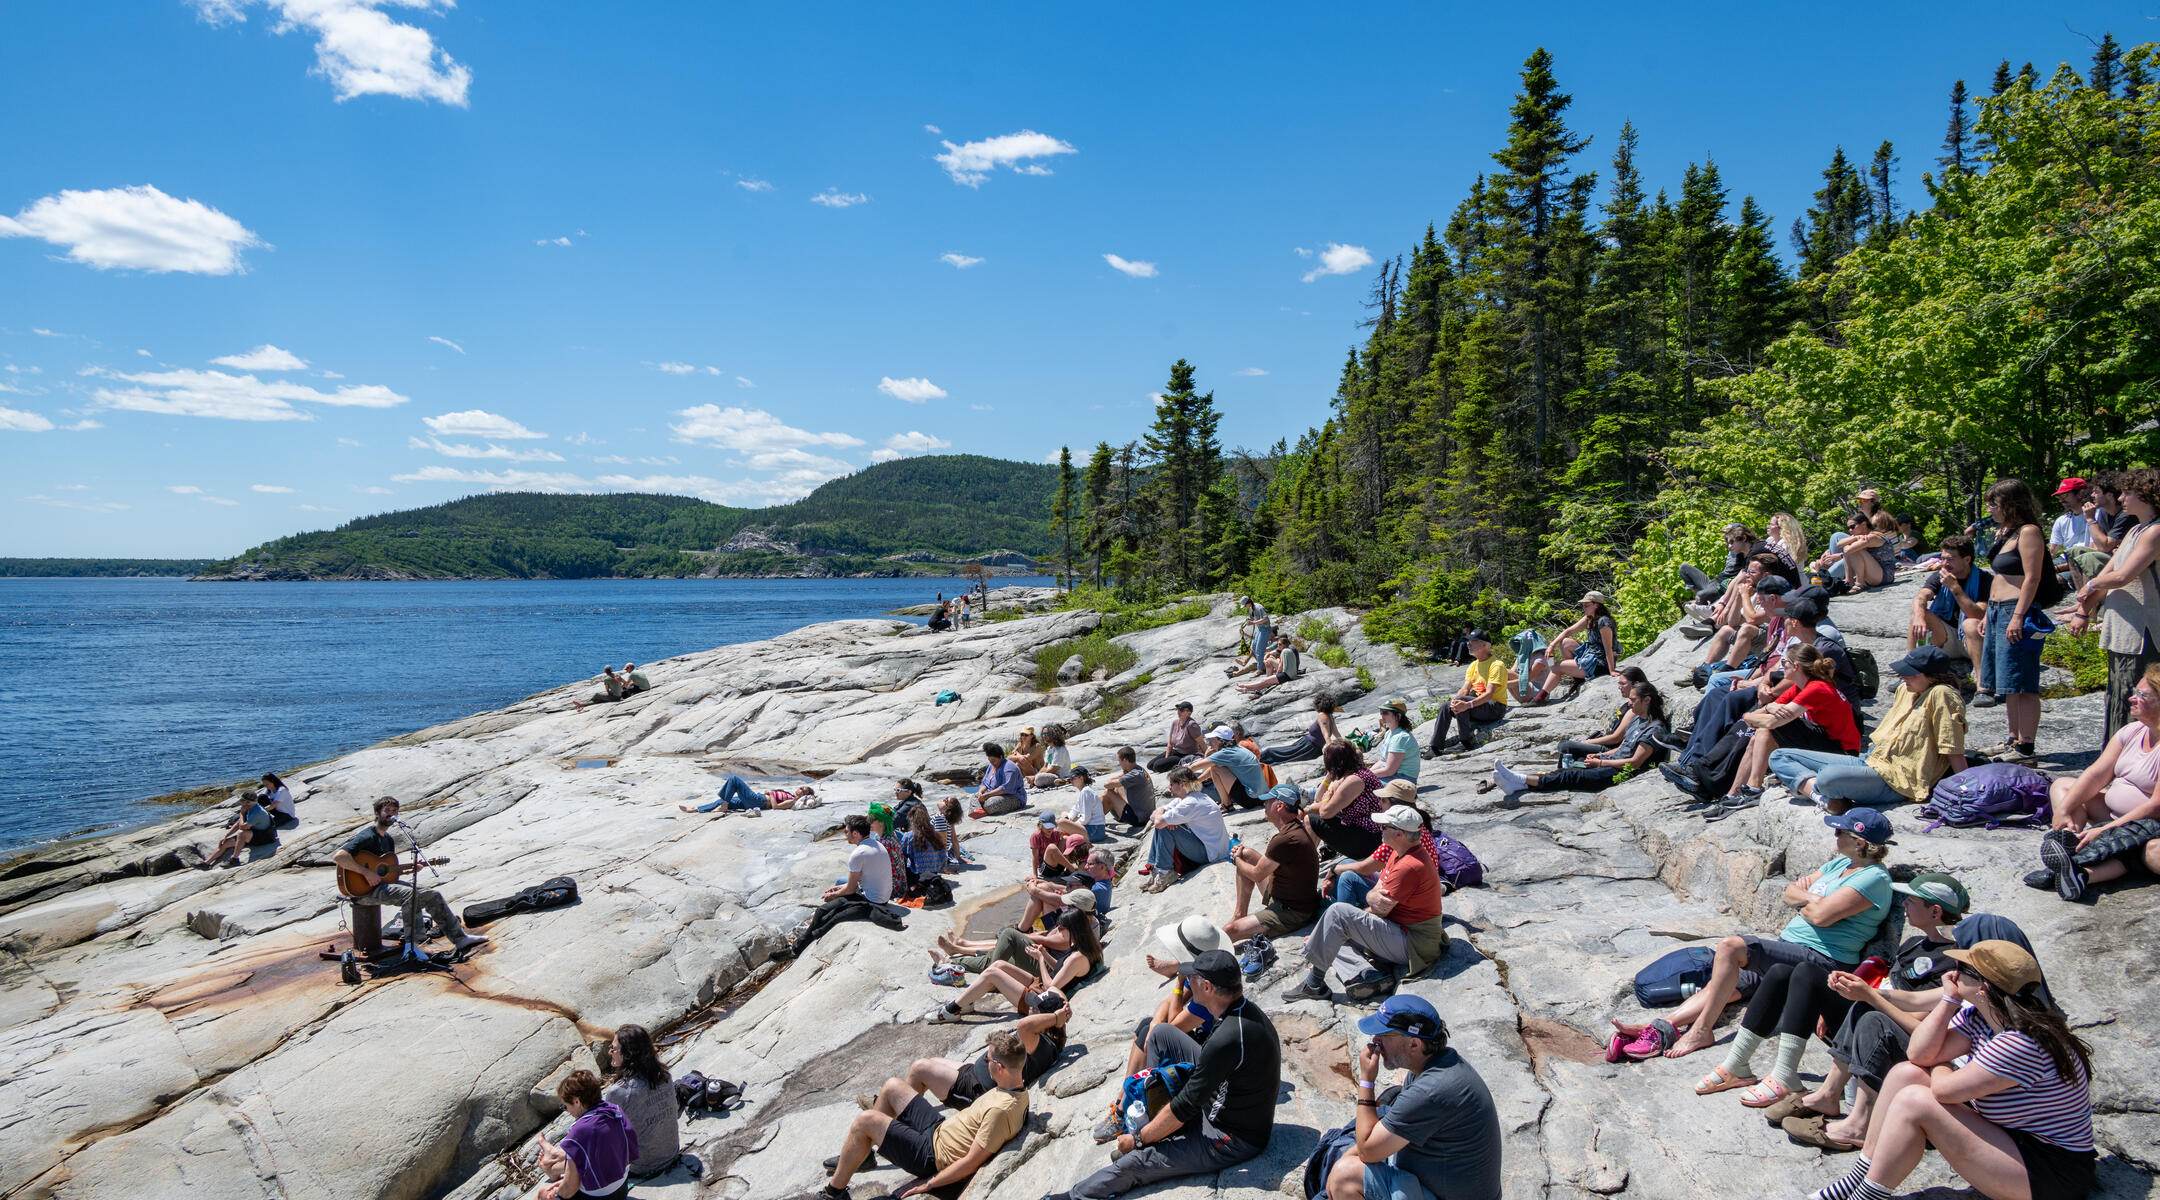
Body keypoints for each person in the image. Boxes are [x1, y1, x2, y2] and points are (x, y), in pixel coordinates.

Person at [1804, 941, 2094, 1200]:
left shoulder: (2021, 1042)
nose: (1952, 973)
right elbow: (1919, 1054)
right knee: (1907, 1073)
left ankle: (1868, 1196)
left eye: (1962, 969)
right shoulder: (1981, 1015)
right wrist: (1948, 1001)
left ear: (1984, 988)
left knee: (1916, 1101)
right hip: (2011, 1140)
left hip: (2049, 1172)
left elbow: (1943, 1089)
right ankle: (1858, 1178)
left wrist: (1941, 1062)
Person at [1616, 810, 1893, 1063]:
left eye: (1839, 832)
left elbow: (1820, 917)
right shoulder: (1839, 866)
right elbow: (1790, 893)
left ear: (1859, 842)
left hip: (1820, 961)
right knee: (1725, 983)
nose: (1834, 836)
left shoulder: (1873, 878)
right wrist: (1815, 899)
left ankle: (1701, 1031)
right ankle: (1662, 1026)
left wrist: (1810, 903)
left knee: (1732, 946)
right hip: (1789, 950)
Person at [1704, 872, 1971, 1113]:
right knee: (1782, 972)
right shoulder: (1913, 943)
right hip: (1865, 1015)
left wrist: (1866, 998)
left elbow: (1919, 1025)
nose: (1903, 905)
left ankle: (1786, 1076)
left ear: (1935, 912)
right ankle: (1737, 1064)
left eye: (1911, 901)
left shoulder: (1951, 963)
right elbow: (1887, 987)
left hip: (1886, 1037)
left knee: (1809, 973)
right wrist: (1837, 997)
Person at [1042, 950, 1279, 1200]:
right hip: (1226, 1093)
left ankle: (1074, 1196)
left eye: (1192, 978)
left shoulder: (1226, 1039)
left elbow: (1185, 1106)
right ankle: (1153, 1108)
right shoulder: (1243, 1011)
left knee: (1135, 1163)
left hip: (1231, 1136)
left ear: (1207, 987)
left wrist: (1138, 1140)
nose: (1188, 981)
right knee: (1161, 1033)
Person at [1325, 995, 1502, 1200]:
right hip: (1432, 1184)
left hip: (1440, 1194)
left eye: (1383, 1035)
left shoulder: (1432, 1089)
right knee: (1345, 1154)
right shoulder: (1434, 1065)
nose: (1375, 1042)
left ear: (1415, 1045)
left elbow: (1368, 1152)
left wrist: (1367, 1081)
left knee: (1345, 1177)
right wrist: (1352, 1153)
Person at [818, 1031, 1031, 1200]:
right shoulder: (1014, 1089)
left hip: (931, 1156)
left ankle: (834, 1193)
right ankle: (864, 1156)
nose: (985, 1062)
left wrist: (927, 1184)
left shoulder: (1000, 1111)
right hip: (939, 1130)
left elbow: (970, 1163)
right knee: (893, 1086)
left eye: (988, 1059)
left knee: (865, 1122)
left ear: (1000, 1067)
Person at [1768, 645, 1970, 813]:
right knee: (1779, 756)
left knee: (1828, 776)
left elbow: (1951, 747)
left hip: (1898, 780)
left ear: (1932, 676)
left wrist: (1964, 791)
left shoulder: (1942, 694)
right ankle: (1823, 798)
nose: (1902, 676)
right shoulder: (1906, 690)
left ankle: (1817, 788)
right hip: (1871, 761)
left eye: (1910, 673)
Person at [1284, 805, 1447, 1003]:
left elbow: (1381, 909)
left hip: (1413, 944)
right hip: (1400, 931)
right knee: (1331, 936)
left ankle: (1314, 984)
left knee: (1337, 917)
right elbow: (1377, 891)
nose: (1380, 829)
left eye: (1384, 826)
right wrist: (1368, 903)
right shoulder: (1399, 852)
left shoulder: (1410, 865)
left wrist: (1358, 913)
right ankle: (1368, 976)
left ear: (1399, 833)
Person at [2030, 667, 2160, 901]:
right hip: (2113, 815)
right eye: (2134, 692)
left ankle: (2076, 869)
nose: (2132, 698)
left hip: (2149, 828)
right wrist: (2063, 810)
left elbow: (2155, 807)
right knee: (2064, 786)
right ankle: (2070, 842)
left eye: (2142, 695)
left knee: (2149, 852)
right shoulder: (2132, 731)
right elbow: (2096, 775)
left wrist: (2103, 830)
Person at [2065, 467, 2160, 740]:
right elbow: (2107, 574)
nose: (2120, 499)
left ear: (2147, 495)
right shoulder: (2134, 532)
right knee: (2118, 697)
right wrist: (2083, 610)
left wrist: (2091, 585)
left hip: (2145, 633)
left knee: (2140, 701)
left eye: (2127, 492)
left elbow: (2122, 576)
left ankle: (2135, 768)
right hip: (2122, 632)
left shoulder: (2155, 532)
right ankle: (2113, 765)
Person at [1712, 646, 1862, 816]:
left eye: (1784, 663)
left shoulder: (1817, 688)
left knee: (1768, 730)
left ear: (1796, 666)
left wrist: (1754, 716)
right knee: (1757, 738)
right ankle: (1733, 794)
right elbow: (1756, 715)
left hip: (1842, 753)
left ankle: (1753, 789)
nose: (1781, 667)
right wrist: (1768, 707)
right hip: (1827, 743)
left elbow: (1768, 721)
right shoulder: (1800, 687)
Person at [1973, 478, 2060, 761]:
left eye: (1994, 503)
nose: (1990, 509)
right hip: (1997, 609)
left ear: (2011, 504)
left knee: (2023, 680)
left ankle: (2026, 746)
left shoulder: (2029, 532)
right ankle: (2013, 739)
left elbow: (2032, 577)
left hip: (2015, 609)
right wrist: (1987, 613)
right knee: (2008, 681)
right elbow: (1997, 576)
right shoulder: (2005, 533)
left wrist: (2019, 617)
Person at [333, 797, 488, 953]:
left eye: (394, 811)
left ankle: (460, 938)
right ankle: (412, 946)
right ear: (377, 813)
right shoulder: (367, 836)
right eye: (387, 810)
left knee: (432, 894)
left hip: (380, 886)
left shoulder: (388, 839)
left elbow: (386, 872)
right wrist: (365, 872)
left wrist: (405, 870)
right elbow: (339, 856)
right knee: (411, 894)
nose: (391, 814)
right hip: (363, 892)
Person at [1490, 683, 1670, 798]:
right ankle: (1519, 784)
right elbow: (1622, 746)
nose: (1629, 703)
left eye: (1633, 700)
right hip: (1610, 763)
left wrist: (1600, 763)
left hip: (1619, 772)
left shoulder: (1655, 729)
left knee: (1571, 775)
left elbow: (1635, 762)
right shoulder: (1638, 720)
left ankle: (1519, 780)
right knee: (1570, 768)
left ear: (1646, 700)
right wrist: (1600, 755)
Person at [932, 906, 1101, 1020]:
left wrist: (1041, 960)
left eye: (1061, 928)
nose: (1058, 930)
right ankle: (966, 1002)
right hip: (1041, 987)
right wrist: (1043, 954)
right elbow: (1061, 969)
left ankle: (950, 1011)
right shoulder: (1084, 949)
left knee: (992, 973)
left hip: (1040, 1003)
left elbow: (1052, 989)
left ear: (1073, 930)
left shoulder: (1077, 958)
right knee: (997, 965)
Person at [908, 992, 1071, 1108]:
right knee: (932, 1062)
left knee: (919, 1069)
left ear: (1045, 1019)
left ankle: (901, 1122)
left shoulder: (1040, 1044)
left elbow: (1023, 1025)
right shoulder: (1045, 1040)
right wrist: (1063, 1010)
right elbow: (1055, 988)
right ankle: (908, 1108)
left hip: (975, 1090)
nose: (1030, 1008)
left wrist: (1057, 1018)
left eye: (1036, 1008)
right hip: (974, 1073)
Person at [1222, 795, 1321, 944]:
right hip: (1284, 897)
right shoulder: (1293, 828)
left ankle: (1198, 955)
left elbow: (1256, 875)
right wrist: (1242, 856)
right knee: (1247, 854)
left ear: (1280, 806)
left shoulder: (1285, 839)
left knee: (1230, 930)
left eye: (1268, 801)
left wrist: (1236, 859)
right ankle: (1239, 914)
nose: (1264, 804)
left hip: (1292, 912)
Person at [537, 1070, 636, 1200]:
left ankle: (554, 1158)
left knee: (542, 1194)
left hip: (601, 1196)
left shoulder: (579, 1132)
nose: (567, 1111)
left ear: (577, 1101)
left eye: (565, 1107)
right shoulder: (614, 1111)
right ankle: (556, 1155)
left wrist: (555, 1193)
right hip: (621, 1189)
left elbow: (569, 1190)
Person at [601, 1024, 679, 1178]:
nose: (610, 1052)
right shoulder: (664, 1076)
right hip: (671, 1153)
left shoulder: (618, 1092)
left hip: (642, 1165)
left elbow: (609, 1136)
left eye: (614, 1049)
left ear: (629, 1053)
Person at [1907, 533, 1991, 677]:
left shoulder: (1985, 579)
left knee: (1971, 624)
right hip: (1946, 638)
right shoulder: (1940, 576)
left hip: (1973, 639)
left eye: (1950, 559)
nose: (1945, 563)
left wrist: (1955, 589)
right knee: (1920, 614)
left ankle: (1982, 684)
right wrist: (1919, 616)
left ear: (1967, 559)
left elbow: (1978, 614)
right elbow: (1921, 597)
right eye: (1943, 558)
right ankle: (1910, 670)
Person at [1139, 766, 1232, 893]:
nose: (1169, 787)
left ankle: (1165, 872)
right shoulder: (1191, 798)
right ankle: (1156, 871)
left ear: (1182, 785)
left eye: (1172, 784)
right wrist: (1162, 813)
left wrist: (1164, 819)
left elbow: (1159, 822)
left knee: (1164, 827)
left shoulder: (1190, 803)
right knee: (1164, 824)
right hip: (1210, 847)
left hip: (1210, 853)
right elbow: (1153, 816)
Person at [1429, 631, 1512, 755]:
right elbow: (1465, 689)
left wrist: (1467, 705)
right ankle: (1435, 747)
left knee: (1463, 701)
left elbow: (1489, 694)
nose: (1468, 644)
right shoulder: (1474, 665)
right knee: (1446, 706)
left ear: (1484, 645)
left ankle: (1466, 742)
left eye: (1472, 641)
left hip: (1495, 708)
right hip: (1478, 706)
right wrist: (1454, 702)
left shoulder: (1496, 665)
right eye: (1468, 641)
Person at [1304, 741, 1388, 861]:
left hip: (1366, 841)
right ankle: (1308, 860)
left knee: (1310, 820)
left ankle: (1305, 864)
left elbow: (1325, 812)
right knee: (1316, 816)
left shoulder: (1353, 781)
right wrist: (1328, 778)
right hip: (1368, 835)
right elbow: (1318, 799)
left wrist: (1327, 797)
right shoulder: (1360, 773)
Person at [1539, 592, 1622, 700]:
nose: (1584, 607)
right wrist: (1551, 645)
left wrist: (1611, 670)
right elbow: (1568, 631)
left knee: (1558, 666)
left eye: (1586, 605)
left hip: (1600, 663)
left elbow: (1608, 648)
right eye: (1583, 605)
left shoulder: (1604, 622)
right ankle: (1577, 678)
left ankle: (1540, 698)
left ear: (1596, 605)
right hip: (1592, 653)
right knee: (1565, 642)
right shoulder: (1590, 618)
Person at [1016, 848, 1115, 932]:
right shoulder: (1101, 883)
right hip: (1078, 920)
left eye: (1089, 864)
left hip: (1076, 928)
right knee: (1044, 888)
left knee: (1044, 895)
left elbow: (1062, 900)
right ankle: (1024, 928)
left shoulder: (1098, 889)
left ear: (1102, 867)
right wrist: (1049, 884)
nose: (1085, 866)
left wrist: (1035, 891)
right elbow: (1072, 890)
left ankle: (1024, 929)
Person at [1682, 522, 1766, 608]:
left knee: (1702, 595)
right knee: (1684, 568)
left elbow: (1741, 577)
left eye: (1732, 541)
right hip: (1717, 580)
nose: (1729, 545)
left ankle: (1702, 599)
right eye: (1728, 541)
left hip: (1725, 583)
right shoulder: (1738, 550)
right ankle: (1701, 598)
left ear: (1742, 536)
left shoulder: (1749, 550)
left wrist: (1723, 603)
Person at [1199, 724, 1269, 812]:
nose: (1209, 742)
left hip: (1250, 799)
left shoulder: (1227, 752)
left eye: (1212, 740)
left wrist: (1191, 781)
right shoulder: (1238, 748)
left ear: (1220, 740)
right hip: (1261, 797)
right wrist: (1197, 781)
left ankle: (1226, 805)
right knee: (1216, 768)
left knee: (1216, 769)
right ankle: (1226, 804)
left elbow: (1198, 766)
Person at [826, 813, 894, 904]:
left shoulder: (859, 853)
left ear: (855, 833)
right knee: (841, 882)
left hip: (872, 900)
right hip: (884, 897)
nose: (845, 834)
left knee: (837, 889)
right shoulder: (877, 843)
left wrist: (833, 895)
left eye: (846, 832)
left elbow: (850, 889)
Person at [678, 774, 817, 814]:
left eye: (803, 790)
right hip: (754, 800)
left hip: (758, 801)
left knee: (734, 779)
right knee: (728, 798)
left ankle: (723, 806)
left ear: (804, 794)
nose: (799, 790)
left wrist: (772, 794)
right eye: (801, 787)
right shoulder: (789, 794)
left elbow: (775, 807)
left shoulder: (792, 800)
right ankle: (696, 809)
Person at [1261, 697, 1343, 765]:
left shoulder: (1322, 715)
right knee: (1284, 755)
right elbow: (1336, 733)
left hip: (1307, 745)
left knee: (1272, 752)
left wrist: (1334, 750)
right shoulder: (1330, 716)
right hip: (1312, 748)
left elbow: (1326, 735)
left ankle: (1258, 759)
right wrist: (1344, 746)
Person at [205, 790, 277, 867]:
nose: (240, 802)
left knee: (241, 833)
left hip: (265, 837)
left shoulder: (258, 812)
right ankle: (206, 863)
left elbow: (242, 827)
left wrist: (242, 814)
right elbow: (238, 823)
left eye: (242, 800)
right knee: (225, 842)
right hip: (253, 835)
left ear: (247, 802)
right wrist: (225, 836)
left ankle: (234, 859)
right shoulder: (250, 808)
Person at [1101, 746, 1157, 833]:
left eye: (1119, 760)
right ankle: (1097, 816)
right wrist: (1122, 775)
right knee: (1118, 787)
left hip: (1138, 819)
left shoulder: (1134, 775)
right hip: (1146, 814)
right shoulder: (1139, 769)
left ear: (1125, 760)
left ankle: (1095, 821)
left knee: (1108, 793)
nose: (1118, 763)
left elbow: (1107, 785)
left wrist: (1120, 775)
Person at [971, 742, 1028, 818]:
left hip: (1014, 797)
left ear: (1001, 757)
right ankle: (980, 811)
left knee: (990, 804)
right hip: (993, 794)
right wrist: (980, 792)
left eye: (994, 760)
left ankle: (981, 809)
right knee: (974, 796)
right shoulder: (992, 765)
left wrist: (987, 795)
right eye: (990, 761)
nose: (992, 763)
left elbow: (1005, 788)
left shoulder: (1010, 768)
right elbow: (985, 783)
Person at [1371, 699, 1420, 784]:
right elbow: (1382, 761)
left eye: (1385, 712)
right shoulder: (1389, 733)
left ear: (1398, 716)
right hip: (1392, 776)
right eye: (1381, 712)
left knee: (1359, 788)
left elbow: (1389, 771)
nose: (1382, 715)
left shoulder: (1400, 737)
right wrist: (1366, 773)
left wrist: (1365, 776)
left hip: (1403, 779)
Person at [1053, 766, 1107, 842]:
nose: (1071, 781)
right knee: (1064, 814)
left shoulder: (1086, 792)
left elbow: (1086, 818)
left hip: (1095, 831)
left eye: (1073, 778)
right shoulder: (1084, 791)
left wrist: (1071, 824)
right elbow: (1075, 809)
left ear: (1081, 778)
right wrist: (1068, 819)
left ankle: (1066, 834)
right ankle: (1068, 832)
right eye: (1070, 779)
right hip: (1092, 828)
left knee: (1061, 823)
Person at [1149, 702, 1205, 773]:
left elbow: (1202, 743)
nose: (1178, 712)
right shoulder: (1175, 722)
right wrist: (1167, 758)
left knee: (1157, 766)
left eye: (1181, 710)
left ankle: (1182, 765)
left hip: (1185, 755)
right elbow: (1170, 743)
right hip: (1175, 751)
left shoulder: (1192, 725)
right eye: (1178, 709)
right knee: (1150, 765)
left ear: (1189, 713)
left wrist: (1207, 758)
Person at [1236, 638, 1303, 694]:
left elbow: (1280, 667)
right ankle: (1246, 689)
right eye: (1278, 644)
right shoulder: (1289, 650)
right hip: (1290, 675)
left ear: (1285, 645)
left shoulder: (1284, 651)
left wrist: (1276, 675)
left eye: (1280, 644)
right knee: (1266, 682)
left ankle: (1244, 686)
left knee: (1264, 681)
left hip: (1286, 676)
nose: (1278, 646)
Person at [1033, 725, 1074, 790]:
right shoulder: (1049, 749)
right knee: (1027, 779)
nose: (1044, 736)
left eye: (1046, 734)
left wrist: (1035, 778)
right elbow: (1044, 767)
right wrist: (1034, 776)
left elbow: (1054, 768)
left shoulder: (1060, 749)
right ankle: (1041, 783)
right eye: (1043, 734)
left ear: (1053, 734)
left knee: (1038, 778)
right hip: (1050, 774)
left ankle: (1063, 781)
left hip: (1059, 776)